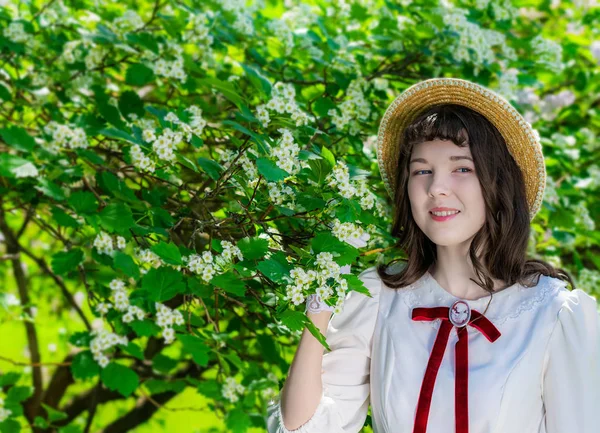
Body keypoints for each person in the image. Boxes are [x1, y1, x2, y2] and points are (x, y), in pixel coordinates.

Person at [265, 77, 600, 433]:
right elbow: (306, 428)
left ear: (499, 184)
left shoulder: (553, 315)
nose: (436, 188)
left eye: (462, 169)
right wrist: (319, 310)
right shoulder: (378, 298)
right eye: (421, 170)